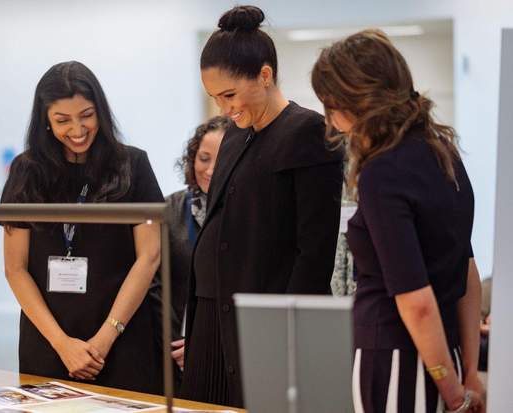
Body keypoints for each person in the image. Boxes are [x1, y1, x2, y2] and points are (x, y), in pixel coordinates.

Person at [311, 30, 486, 412]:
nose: (330, 122)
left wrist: (454, 394)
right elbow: (468, 271)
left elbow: (415, 301)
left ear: (352, 101)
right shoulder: (444, 155)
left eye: (329, 106)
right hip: (447, 355)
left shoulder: (382, 173)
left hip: (396, 359)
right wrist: (467, 372)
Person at [181, 6, 344, 408]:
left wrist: (284, 331)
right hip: (213, 315)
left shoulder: (308, 131)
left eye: (230, 95)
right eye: (215, 98)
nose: (224, 109)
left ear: (265, 75)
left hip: (265, 320)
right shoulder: (235, 135)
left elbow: (315, 251)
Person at [0, 61, 163, 394]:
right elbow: (15, 269)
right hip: (49, 338)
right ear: (45, 119)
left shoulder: (133, 165)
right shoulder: (26, 171)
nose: (77, 129)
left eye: (86, 115)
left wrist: (105, 338)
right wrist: (62, 344)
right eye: (62, 120)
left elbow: (149, 257)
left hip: (122, 335)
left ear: (100, 110)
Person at [165, 116, 230, 372]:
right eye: (204, 158)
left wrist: (203, 343)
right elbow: (155, 285)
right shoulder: (170, 209)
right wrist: (174, 340)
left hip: (227, 347)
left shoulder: (251, 212)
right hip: (172, 346)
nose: (211, 169)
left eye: (222, 159)